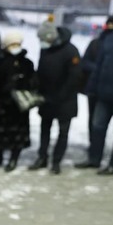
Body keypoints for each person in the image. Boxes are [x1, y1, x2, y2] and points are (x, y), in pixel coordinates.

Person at [75, 4, 113, 175]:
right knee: (97, 126)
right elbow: (99, 67)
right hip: (103, 93)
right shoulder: (109, 39)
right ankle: (94, 159)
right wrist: (92, 88)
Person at [28, 19, 81, 175]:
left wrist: (60, 95)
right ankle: (42, 157)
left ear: (51, 36)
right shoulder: (46, 49)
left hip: (65, 100)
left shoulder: (71, 51)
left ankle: (56, 161)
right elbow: (42, 70)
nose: (41, 42)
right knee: (45, 129)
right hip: (47, 98)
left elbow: (75, 77)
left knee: (62, 132)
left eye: (43, 39)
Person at [0, 30, 38, 171]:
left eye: (17, 44)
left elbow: (33, 80)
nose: (15, 47)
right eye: (12, 44)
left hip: (19, 106)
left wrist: (23, 82)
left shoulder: (27, 63)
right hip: (1, 104)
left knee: (18, 136)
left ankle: (14, 159)